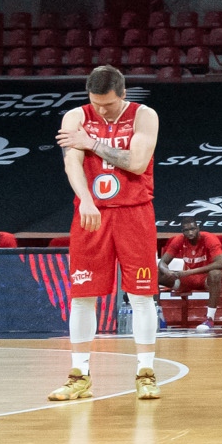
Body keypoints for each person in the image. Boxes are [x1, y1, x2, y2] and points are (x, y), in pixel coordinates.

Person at [48, 64, 162, 403]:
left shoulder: (144, 115)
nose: (100, 109)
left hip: (134, 211)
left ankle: (146, 373)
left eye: (108, 104)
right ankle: (79, 376)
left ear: (123, 94)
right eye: (95, 103)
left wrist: (92, 142)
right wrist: (85, 200)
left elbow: (137, 163)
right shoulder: (75, 117)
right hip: (91, 212)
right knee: (82, 295)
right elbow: (72, 162)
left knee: (141, 296)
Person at [160, 222, 222, 331]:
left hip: (208, 279)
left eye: (192, 229)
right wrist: (167, 271)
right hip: (189, 279)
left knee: (215, 274)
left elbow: (219, 263)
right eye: (186, 230)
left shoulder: (209, 238)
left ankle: (210, 319)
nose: (190, 232)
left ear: (198, 228)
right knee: (156, 274)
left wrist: (189, 272)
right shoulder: (179, 240)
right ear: (182, 232)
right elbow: (162, 263)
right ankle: (159, 316)